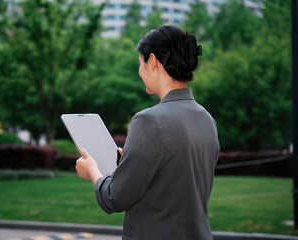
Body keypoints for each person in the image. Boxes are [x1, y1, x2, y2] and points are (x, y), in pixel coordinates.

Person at [75, 25, 220, 240]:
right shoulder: (206, 118)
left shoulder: (149, 120)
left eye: (140, 63)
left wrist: (93, 171)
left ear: (152, 61)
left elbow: (114, 197)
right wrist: (132, 163)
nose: (139, 71)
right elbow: (175, 180)